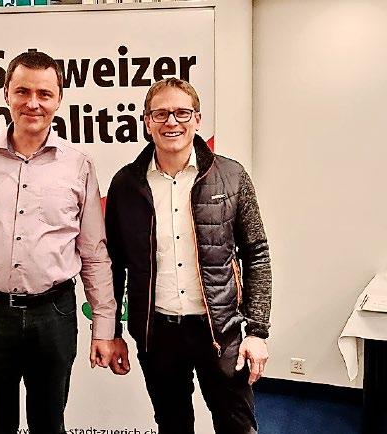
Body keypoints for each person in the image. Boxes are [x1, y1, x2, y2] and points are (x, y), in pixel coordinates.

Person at [0, 51, 116, 434]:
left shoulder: (78, 164)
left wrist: (104, 326)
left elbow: (94, 253)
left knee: (49, 423)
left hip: (54, 314)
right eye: (22, 91)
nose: (33, 103)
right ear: (6, 94)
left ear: (59, 99)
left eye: (44, 93)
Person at [106, 78, 272, 434]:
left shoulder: (231, 176)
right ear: (147, 122)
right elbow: (113, 264)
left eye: (182, 113)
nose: (172, 122)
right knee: (173, 424)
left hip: (220, 332)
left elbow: (256, 253)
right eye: (161, 114)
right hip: (157, 333)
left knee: (237, 426)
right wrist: (112, 331)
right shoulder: (126, 184)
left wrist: (257, 331)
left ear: (197, 119)